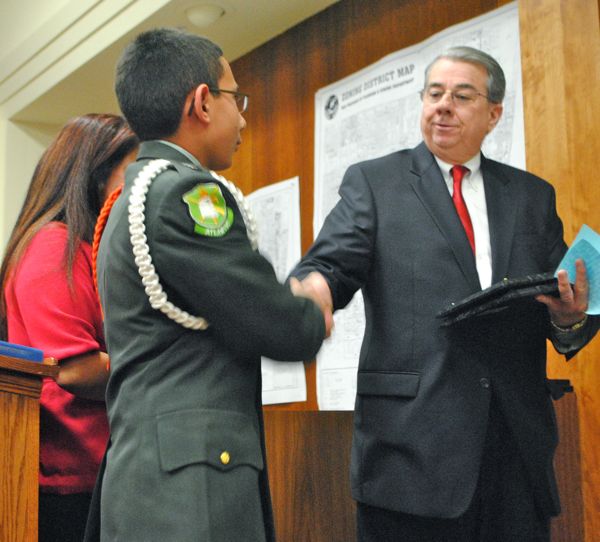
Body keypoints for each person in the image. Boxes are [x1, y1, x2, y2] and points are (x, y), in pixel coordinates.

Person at [291, 46, 598, 541]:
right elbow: (331, 264)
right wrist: (315, 290)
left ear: (494, 114)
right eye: (434, 93)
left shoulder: (531, 197)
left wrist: (568, 317)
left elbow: (561, 307)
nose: (443, 105)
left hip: (514, 451)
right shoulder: (376, 183)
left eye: (461, 95)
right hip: (410, 453)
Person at [85, 27, 331, 542]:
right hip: (191, 489)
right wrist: (309, 308)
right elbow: (274, 323)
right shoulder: (186, 194)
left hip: (151, 480)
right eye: (234, 97)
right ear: (201, 102)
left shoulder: (130, 197)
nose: (242, 116)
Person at [0, 114, 138, 542]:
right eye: (131, 175)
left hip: (92, 473)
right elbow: (75, 367)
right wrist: (163, 369)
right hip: (69, 479)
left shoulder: (82, 248)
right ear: (96, 177)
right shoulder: (54, 244)